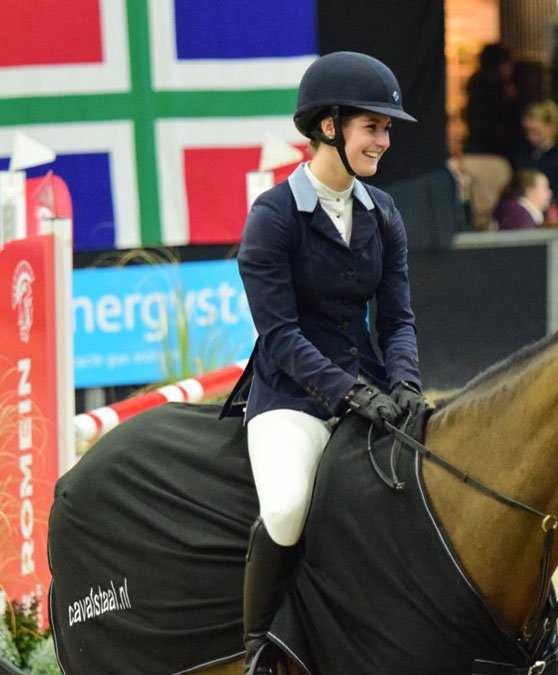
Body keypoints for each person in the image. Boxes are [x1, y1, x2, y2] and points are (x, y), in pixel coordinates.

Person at [218, 51, 430, 673]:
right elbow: (279, 335)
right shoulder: (273, 216)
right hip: (290, 397)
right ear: (329, 127)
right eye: (374, 126)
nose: (384, 141)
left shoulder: (383, 213)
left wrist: (407, 383)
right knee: (285, 507)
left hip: (369, 388)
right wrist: (348, 394)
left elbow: (396, 320)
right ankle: (260, 649)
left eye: (388, 129)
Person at [511, 99, 558, 211]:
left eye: (535, 129)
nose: (529, 125)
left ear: (551, 127)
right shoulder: (523, 154)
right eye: (528, 130)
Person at [463, 42, 524, 157]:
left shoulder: (478, 86)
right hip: (495, 151)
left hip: (480, 149)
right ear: (499, 65)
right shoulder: (492, 90)